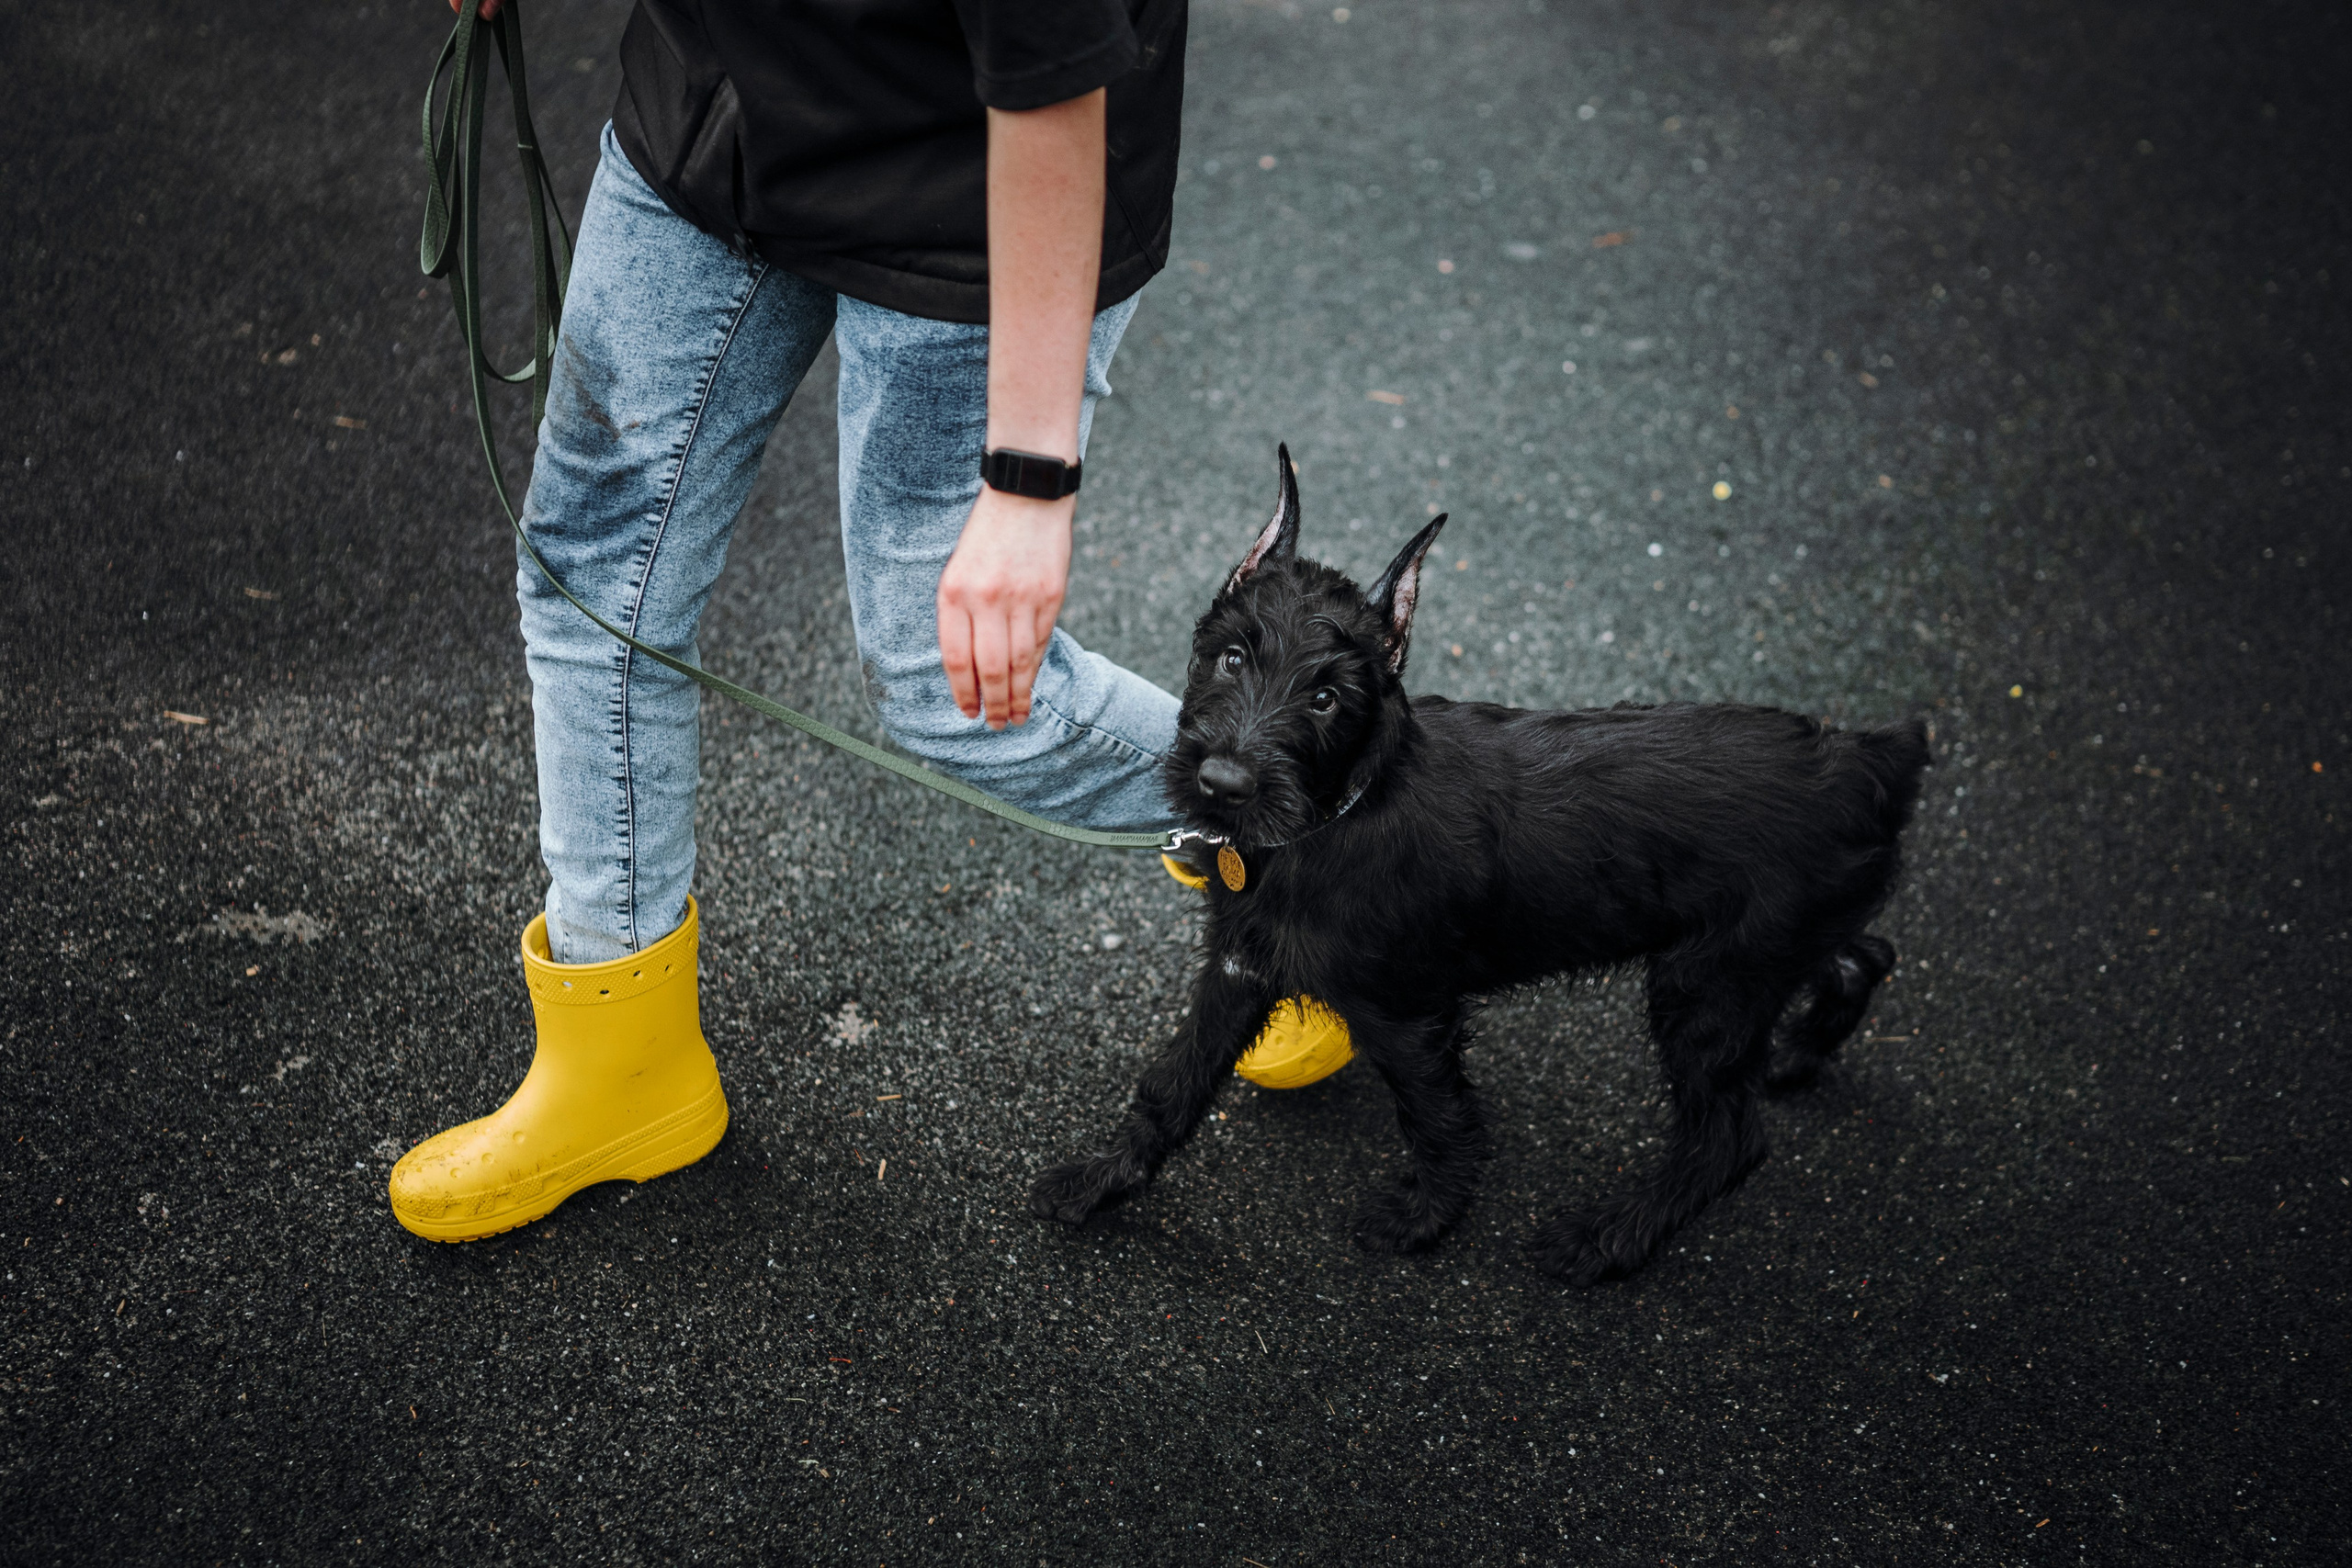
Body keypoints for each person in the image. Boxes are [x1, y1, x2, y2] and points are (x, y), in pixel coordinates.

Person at [389, 0, 1346, 1243]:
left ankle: (1322, 853)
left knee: (956, 692)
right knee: (588, 575)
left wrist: (1030, 477)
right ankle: (622, 1070)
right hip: (716, 103)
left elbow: (1055, 95)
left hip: (969, 194)